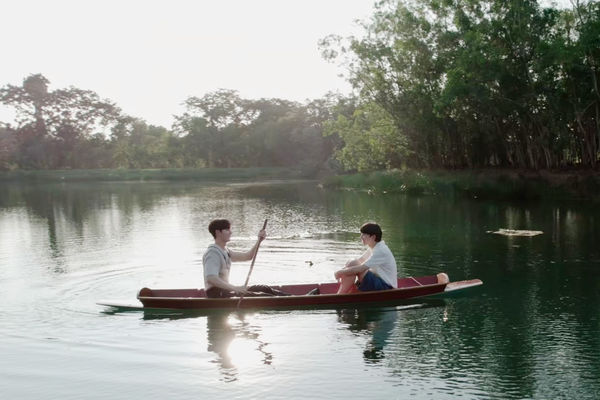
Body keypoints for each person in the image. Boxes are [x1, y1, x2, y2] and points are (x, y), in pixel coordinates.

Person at [203, 219, 290, 298]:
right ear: (218, 232)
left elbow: (248, 256)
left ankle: (293, 297)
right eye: (227, 230)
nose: (230, 232)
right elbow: (211, 278)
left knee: (264, 288)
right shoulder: (213, 253)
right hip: (218, 294)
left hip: (227, 291)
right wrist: (236, 288)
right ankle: (292, 300)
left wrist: (259, 241)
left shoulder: (226, 251)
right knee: (263, 296)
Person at [334, 222, 398, 294]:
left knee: (353, 266)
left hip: (386, 287)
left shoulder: (381, 250)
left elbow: (361, 268)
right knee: (352, 263)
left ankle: (340, 295)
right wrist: (344, 269)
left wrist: (340, 273)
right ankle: (345, 292)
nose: (361, 237)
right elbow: (360, 260)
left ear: (373, 237)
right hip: (378, 281)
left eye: (364, 234)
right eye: (361, 234)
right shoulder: (374, 247)